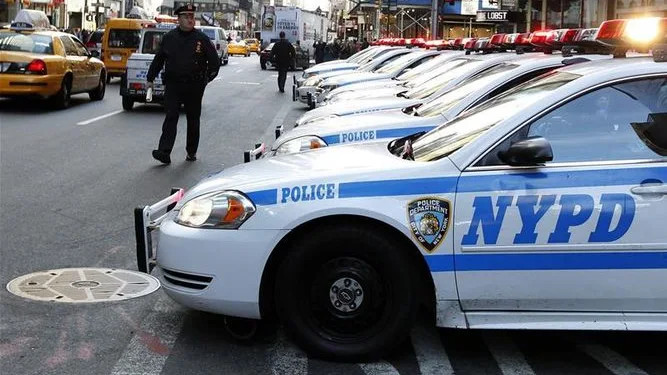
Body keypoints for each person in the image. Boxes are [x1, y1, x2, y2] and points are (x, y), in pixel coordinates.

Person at [146, 3, 219, 164]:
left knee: (193, 119)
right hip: (173, 85)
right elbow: (159, 60)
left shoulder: (201, 39)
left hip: (194, 86)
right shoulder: (169, 38)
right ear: (178, 19)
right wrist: (150, 79)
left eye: (192, 16)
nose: (190, 19)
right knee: (171, 117)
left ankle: (191, 151)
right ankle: (164, 152)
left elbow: (214, 63)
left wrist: (205, 80)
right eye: (186, 17)